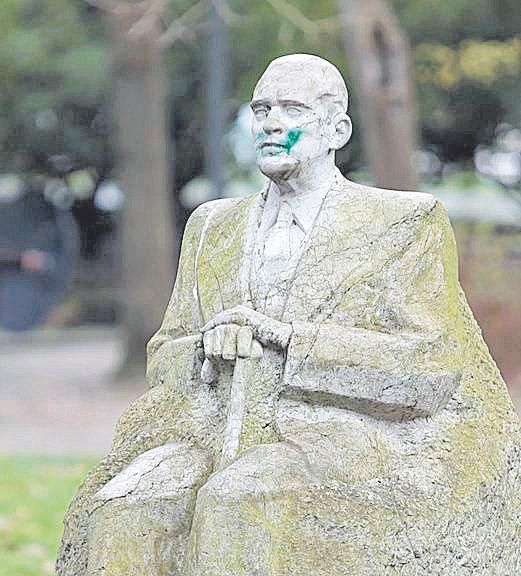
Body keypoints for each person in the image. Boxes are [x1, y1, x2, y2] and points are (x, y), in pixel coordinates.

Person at [58, 55, 521, 576]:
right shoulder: (212, 226)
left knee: (240, 500)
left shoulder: (404, 223)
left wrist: (288, 342)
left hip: (338, 440)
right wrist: (211, 345)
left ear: (337, 130)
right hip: (210, 431)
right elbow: (163, 354)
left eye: (292, 109)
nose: (271, 122)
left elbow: (431, 366)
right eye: (261, 109)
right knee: (126, 507)